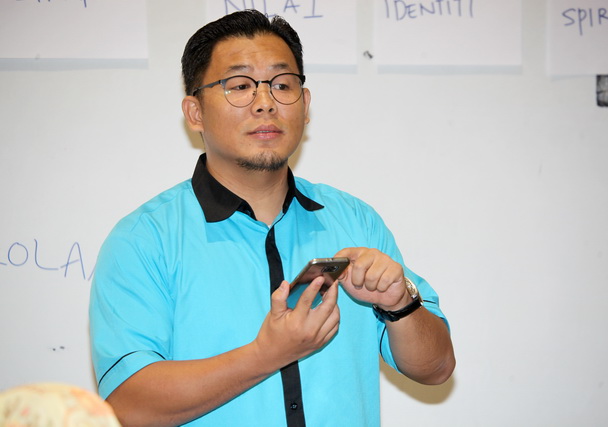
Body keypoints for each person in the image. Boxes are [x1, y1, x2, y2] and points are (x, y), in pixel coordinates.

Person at [89, 9, 455, 427]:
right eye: (239, 86)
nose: (265, 102)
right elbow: (128, 405)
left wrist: (400, 304)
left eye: (282, 85)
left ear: (305, 103)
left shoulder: (356, 221)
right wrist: (266, 355)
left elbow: (437, 368)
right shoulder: (143, 240)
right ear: (195, 112)